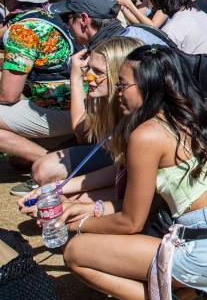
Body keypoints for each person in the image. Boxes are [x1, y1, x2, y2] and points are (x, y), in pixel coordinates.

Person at [60, 45, 207, 300]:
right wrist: (72, 199)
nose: (118, 93)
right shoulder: (190, 113)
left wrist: (80, 224)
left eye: (123, 85)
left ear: (150, 85)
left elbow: (130, 222)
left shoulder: (147, 134)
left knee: (75, 253)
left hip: (204, 247)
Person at [17, 36, 142, 197]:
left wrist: (71, 196)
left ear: (120, 74)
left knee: (74, 199)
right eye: (88, 68)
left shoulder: (138, 114)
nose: (88, 76)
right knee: (45, 172)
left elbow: (129, 178)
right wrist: (75, 75)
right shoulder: (102, 94)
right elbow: (83, 134)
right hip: (118, 165)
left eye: (97, 72)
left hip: (131, 178)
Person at [0, 0, 77, 165]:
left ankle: (53, 163)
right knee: (17, 162)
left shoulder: (24, 29)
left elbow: (8, 95)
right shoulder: (50, 13)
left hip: (58, 108)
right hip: (78, 102)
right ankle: (62, 146)